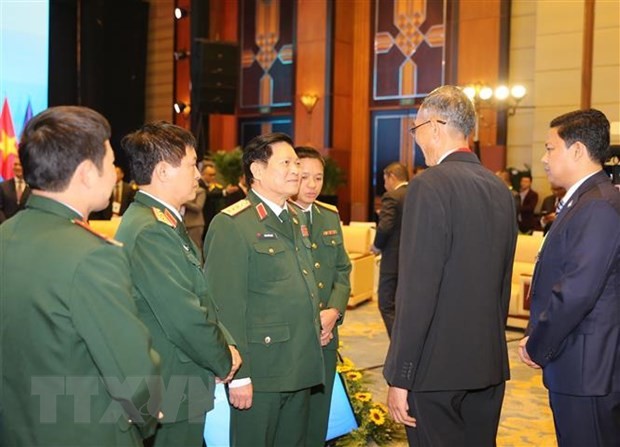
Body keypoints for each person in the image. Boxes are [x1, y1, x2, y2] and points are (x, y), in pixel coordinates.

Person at [0, 106, 161, 446]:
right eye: (110, 160)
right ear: (87, 172)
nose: (115, 172)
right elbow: (133, 372)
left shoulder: (6, 235)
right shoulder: (93, 255)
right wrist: (147, 420)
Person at [383, 85, 518, 446]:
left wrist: (400, 375)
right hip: (487, 363)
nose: (416, 140)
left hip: (435, 372)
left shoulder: (429, 186)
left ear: (436, 127)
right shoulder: (500, 190)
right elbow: (502, 284)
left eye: (417, 130)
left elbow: (417, 289)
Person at [116, 121, 241, 447]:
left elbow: (199, 294)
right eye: (190, 165)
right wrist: (223, 360)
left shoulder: (162, 220)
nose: (198, 175)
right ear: (162, 172)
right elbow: (184, 315)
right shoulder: (151, 230)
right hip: (171, 386)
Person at [203, 132, 324, 446]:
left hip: (299, 366)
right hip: (261, 373)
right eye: (286, 163)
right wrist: (239, 374)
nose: (296, 170)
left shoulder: (295, 219)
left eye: (296, 162)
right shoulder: (233, 224)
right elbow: (223, 305)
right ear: (257, 170)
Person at [518, 109, 620, 446]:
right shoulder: (586, 200)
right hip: (581, 362)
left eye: (550, 148)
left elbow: (576, 292)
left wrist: (537, 344)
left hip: (587, 369)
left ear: (576, 150)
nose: (544, 159)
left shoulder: (597, 206)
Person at [289, 145, 352, 446]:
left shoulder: (329, 216)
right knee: (292, 418)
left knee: (319, 417)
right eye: (304, 177)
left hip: (327, 335)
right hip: (295, 338)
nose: (312, 185)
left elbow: (342, 270)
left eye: (318, 178)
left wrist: (334, 312)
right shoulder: (277, 219)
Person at [370, 162, 409, 337]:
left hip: (393, 260)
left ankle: (398, 346)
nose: (384, 184)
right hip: (413, 260)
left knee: (386, 303)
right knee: (404, 305)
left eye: (385, 179)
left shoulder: (391, 197)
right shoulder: (417, 194)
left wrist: (377, 246)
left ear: (392, 177)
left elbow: (385, 227)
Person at [200, 160, 239, 236]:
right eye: (210, 175)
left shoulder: (210, 185)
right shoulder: (199, 184)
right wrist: (225, 192)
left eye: (214, 175)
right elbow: (208, 194)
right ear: (203, 174)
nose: (213, 177)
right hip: (202, 217)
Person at [0, 158, 31, 223]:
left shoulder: (32, 188)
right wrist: (6, 224)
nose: (17, 167)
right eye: (15, 164)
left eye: (20, 165)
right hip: (5, 227)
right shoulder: (3, 186)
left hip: (25, 226)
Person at [182, 180, 207, 252]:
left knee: (196, 248)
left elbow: (198, 207)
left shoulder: (200, 191)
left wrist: (184, 202)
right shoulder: (181, 192)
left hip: (195, 224)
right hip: (183, 223)